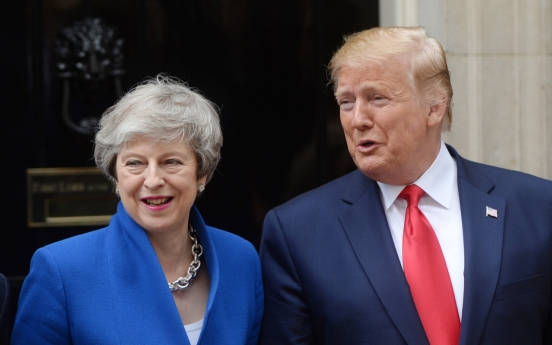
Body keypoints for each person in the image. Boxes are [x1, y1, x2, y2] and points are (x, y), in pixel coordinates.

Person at [259, 26, 552, 345]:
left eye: (377, 98)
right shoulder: (297, 232)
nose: (358, 119)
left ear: (434, 107)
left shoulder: (538, 207)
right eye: (346, 101)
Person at [12, 75, 263, 344]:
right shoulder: (61, 270)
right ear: (115, 175)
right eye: (135, 163)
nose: (153, 180)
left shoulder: (241, 260)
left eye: (171, 161)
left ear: (202, 173)